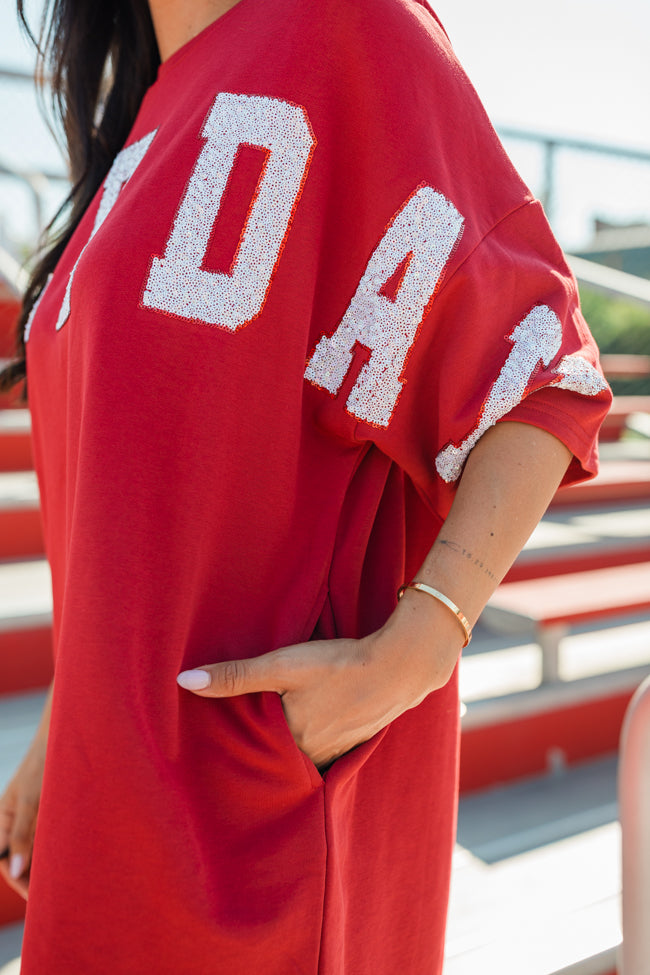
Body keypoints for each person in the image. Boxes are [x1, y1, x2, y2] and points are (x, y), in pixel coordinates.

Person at [0, 0, 611, 971]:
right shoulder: (139, 120)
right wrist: (66, 727)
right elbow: (137, 512)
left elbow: (538, 372)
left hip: (254, 846)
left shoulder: (345, 27)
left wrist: (415, 649)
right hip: (102, 816)